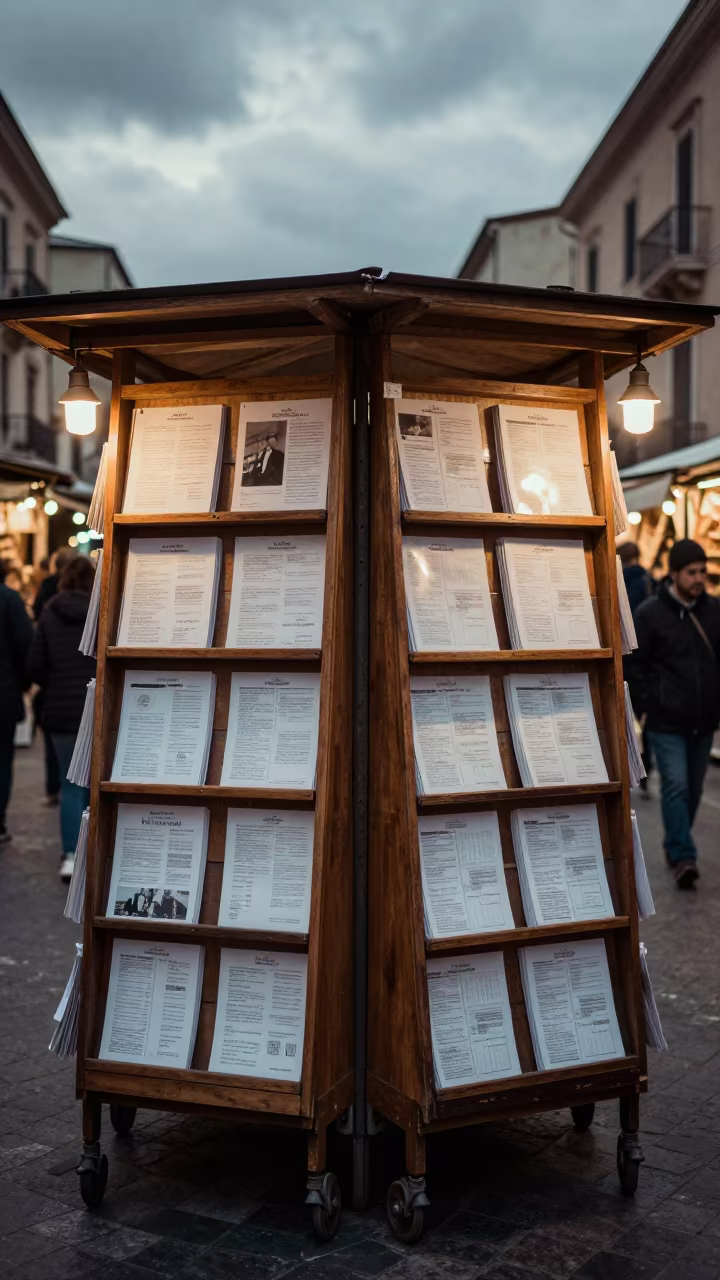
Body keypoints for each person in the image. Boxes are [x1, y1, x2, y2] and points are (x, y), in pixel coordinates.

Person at [627, 538, 720, 889]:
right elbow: (634, 666)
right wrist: (649, 703)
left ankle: (675, 842)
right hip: (666, 721)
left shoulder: (714, 611)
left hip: (704, 720)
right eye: (692, 572)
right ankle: (684, 856)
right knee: (677, 786)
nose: (700, 579)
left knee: (693, 791)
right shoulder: (650, 614)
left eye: (703, 572)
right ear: (675, 573)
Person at [27, 555, 96, 880]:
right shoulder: (101, 614)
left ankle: (70, 855)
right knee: (97, 784)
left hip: (60, 710)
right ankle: (98, 851)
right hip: (96, 708)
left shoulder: (49, 613)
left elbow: (35, 665)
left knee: (70, 784)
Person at [0, 562, 33, 845]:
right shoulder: (9, 599)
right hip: (4, 693)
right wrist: (23, 682)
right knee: (2, 759)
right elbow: (25, 643)